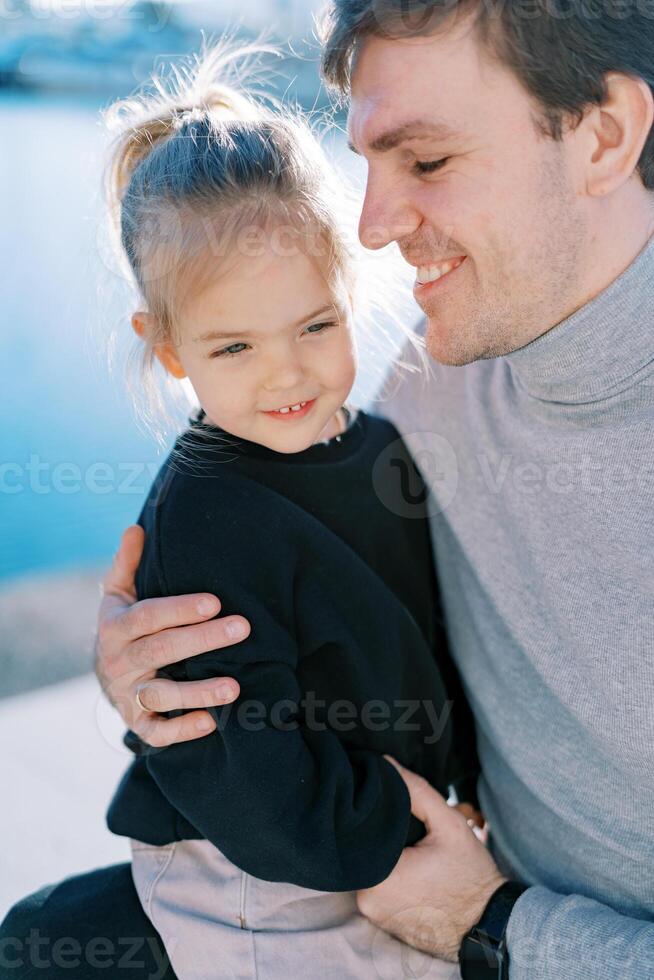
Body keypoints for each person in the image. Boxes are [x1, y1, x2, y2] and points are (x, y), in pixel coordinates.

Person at [2, 2, 653, 979]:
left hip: (464, 911)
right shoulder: (437, 379)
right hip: (359, 863)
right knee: (37, 941)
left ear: (603, 135)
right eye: (370, 161)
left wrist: (497, 924)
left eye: (426, 161)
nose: (372, 225)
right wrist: (150, 673)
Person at [97, 41, 483, 980]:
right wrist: (393, 828)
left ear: (350, 290)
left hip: (372, 840)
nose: (287, 373)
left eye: (316, 324)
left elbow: (422, 635)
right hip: (251, 878)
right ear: (172, 348)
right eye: (234, 347)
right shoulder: (206, 516)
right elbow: (236, 757)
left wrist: (459, 788)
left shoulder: (383, 449)